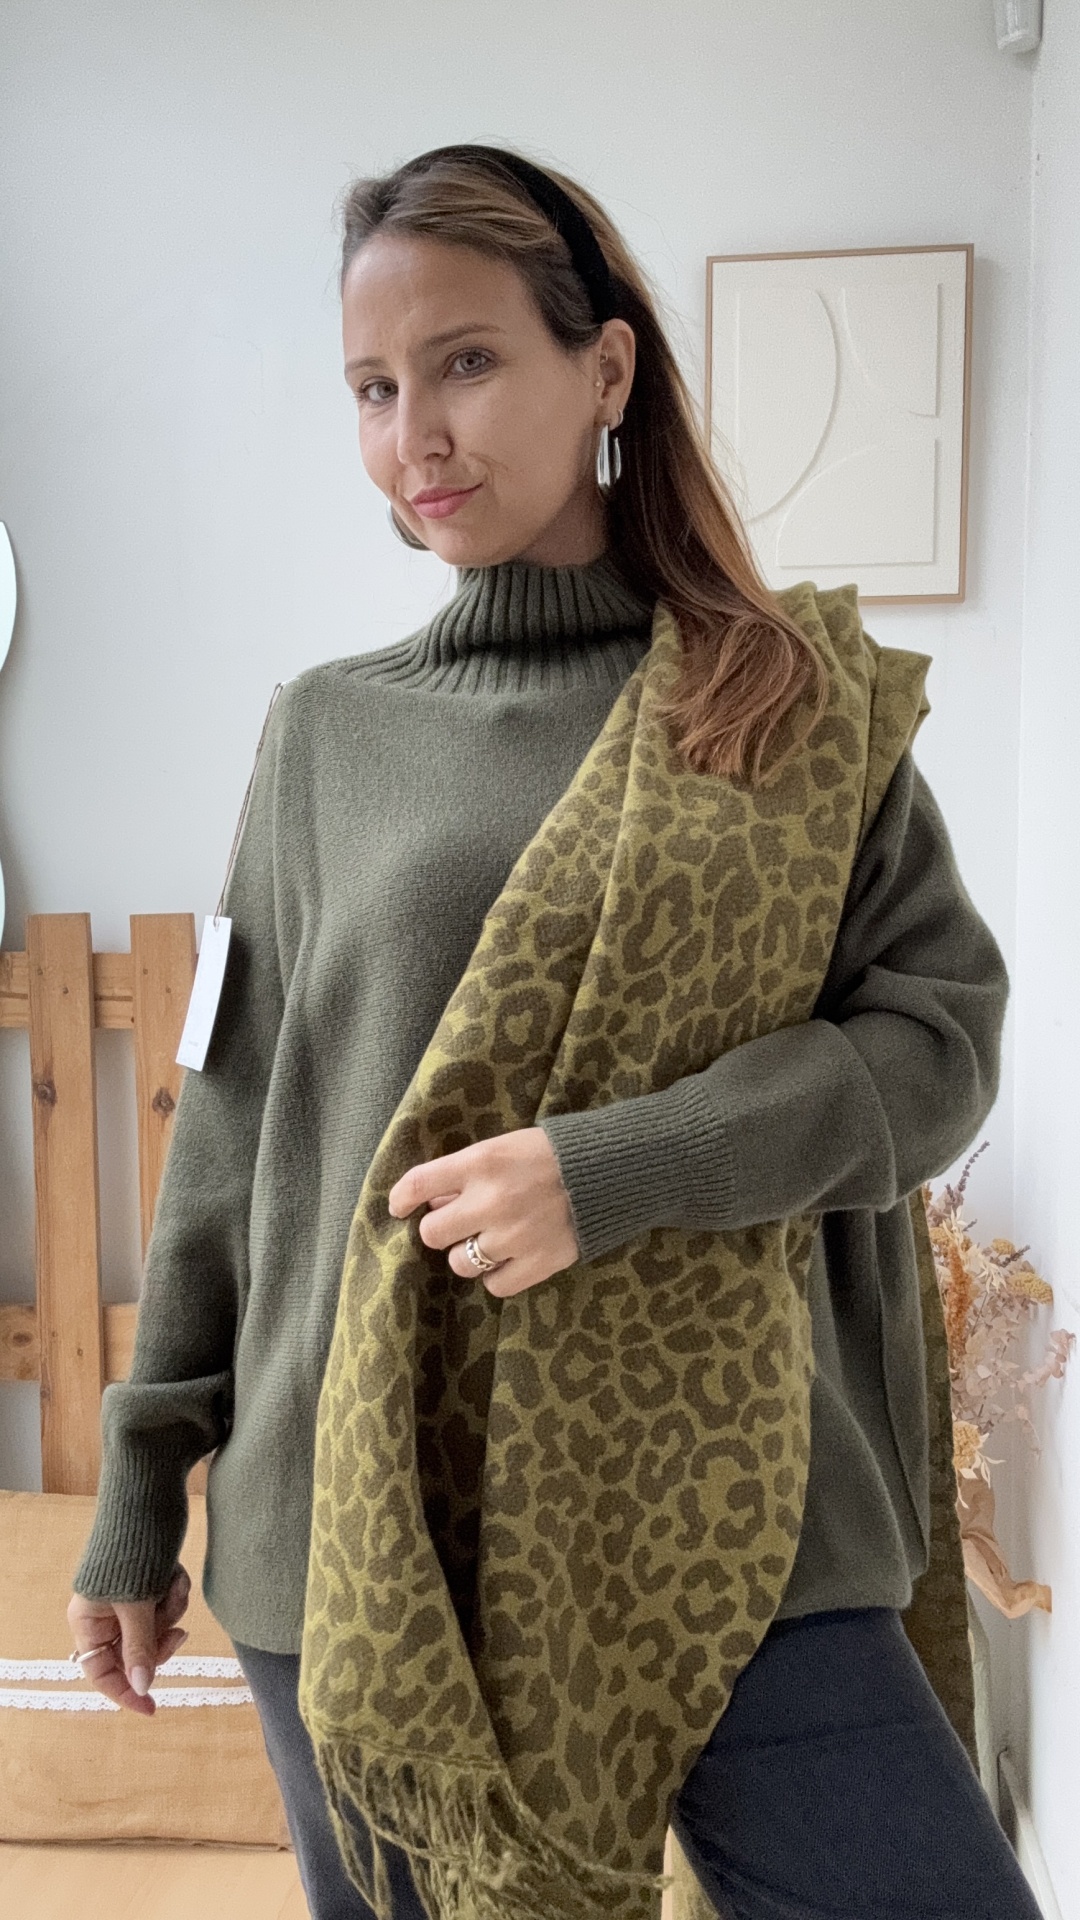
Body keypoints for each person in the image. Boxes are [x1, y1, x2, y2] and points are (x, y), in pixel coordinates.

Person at [67, 144, 1037, 1920]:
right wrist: (141, 1482)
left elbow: (937, 1046)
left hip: (731, 1505)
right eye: (372, 389)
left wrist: (621, 1170)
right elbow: (234, 1127)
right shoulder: (325, 736)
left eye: (466, 362)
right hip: (369, 1518)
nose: (415, 436)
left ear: (605, 369)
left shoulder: (779, 706)